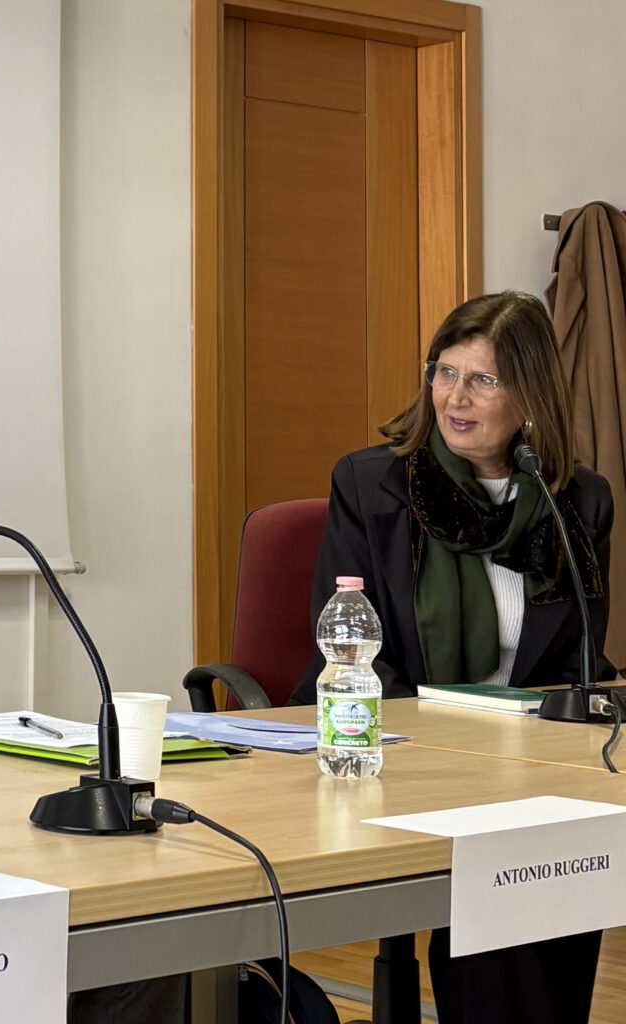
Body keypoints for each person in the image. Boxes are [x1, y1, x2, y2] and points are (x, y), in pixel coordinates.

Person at [293, 291, 610, 1024]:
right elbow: (352, 651)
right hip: (403, 752)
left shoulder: (577, 500)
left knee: (571, 857)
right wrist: (449, 748)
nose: (455, 398)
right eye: (445, 372)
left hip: (529, 762)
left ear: (530, 396)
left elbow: (579, 662)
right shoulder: (373, 485)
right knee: (509, 874)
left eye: (483, 380)